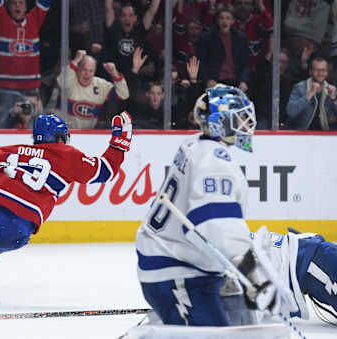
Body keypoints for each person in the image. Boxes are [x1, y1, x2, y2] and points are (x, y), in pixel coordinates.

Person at [134, 84, 295, 327]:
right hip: (176, 273)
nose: (246, 123)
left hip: (181, 263)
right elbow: (218, 228)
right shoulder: (215, 163)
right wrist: (254, 279)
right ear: (222, 122)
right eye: (240, 117)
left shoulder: (195, 144)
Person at [0, 111, 133, 293]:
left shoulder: (9, 150)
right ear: (60, 137)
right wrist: (119, 143)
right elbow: (104, 171)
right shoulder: (69, 156)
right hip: (22, 225)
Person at [0, 0, 52, 126]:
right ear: (9, 7)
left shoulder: (34, 19)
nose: (17, 6)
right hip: (8, 88)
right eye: (14, 3)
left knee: (39, 127)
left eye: (21, 3)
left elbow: (45, 2)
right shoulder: (2, 19)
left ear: (26, 7)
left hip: (31, 88)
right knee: (4, 126)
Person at [57, 49, 129, 129]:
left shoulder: (101, 85)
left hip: (89, 135)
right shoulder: (70, 80)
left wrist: (115, 74)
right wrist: (76, 60)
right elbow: (60, 81)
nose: (87, 74)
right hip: (65, 133)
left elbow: (124, 95)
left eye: (91, 71)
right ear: (78, 69)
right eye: (84, 69)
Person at [196, 4, 250, 92]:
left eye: (228, 18)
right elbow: (201, 63)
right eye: (221, 18)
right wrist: (208, 80)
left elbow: (245, 64)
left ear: (233, 21)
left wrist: (244, 81)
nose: (224, 21)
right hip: (215, 82)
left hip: (236, 82)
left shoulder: (241, 38)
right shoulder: (207, 38)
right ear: (217, 20)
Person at [286, 56, 337, 130]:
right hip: (302, 133)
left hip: (326, 135)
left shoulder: (332, 89)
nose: (320, 73)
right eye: (317, 70)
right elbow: (291, 112)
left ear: (327, 72)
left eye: (323, 70)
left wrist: (333, 98)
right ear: (310, 71)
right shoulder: (300, 87)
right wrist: (310, 93)